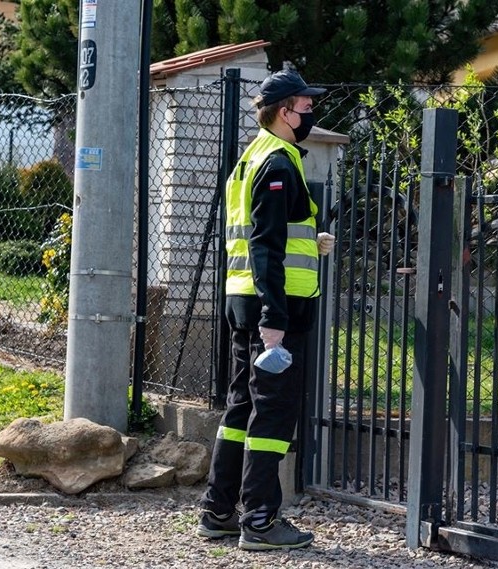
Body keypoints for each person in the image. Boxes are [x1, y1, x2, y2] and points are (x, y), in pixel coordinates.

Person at [197, 69, 334, 551]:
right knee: (272, 414)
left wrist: (310, 241)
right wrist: (274, 322)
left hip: (244, 300)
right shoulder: (277, 163)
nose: (310, 114)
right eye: (304, 106)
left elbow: (266, 236)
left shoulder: (251, 159)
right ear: (283, 112)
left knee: (242, 405)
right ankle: (259, 520)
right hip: (274, 310)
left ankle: (218, 510)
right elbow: (265, 246)